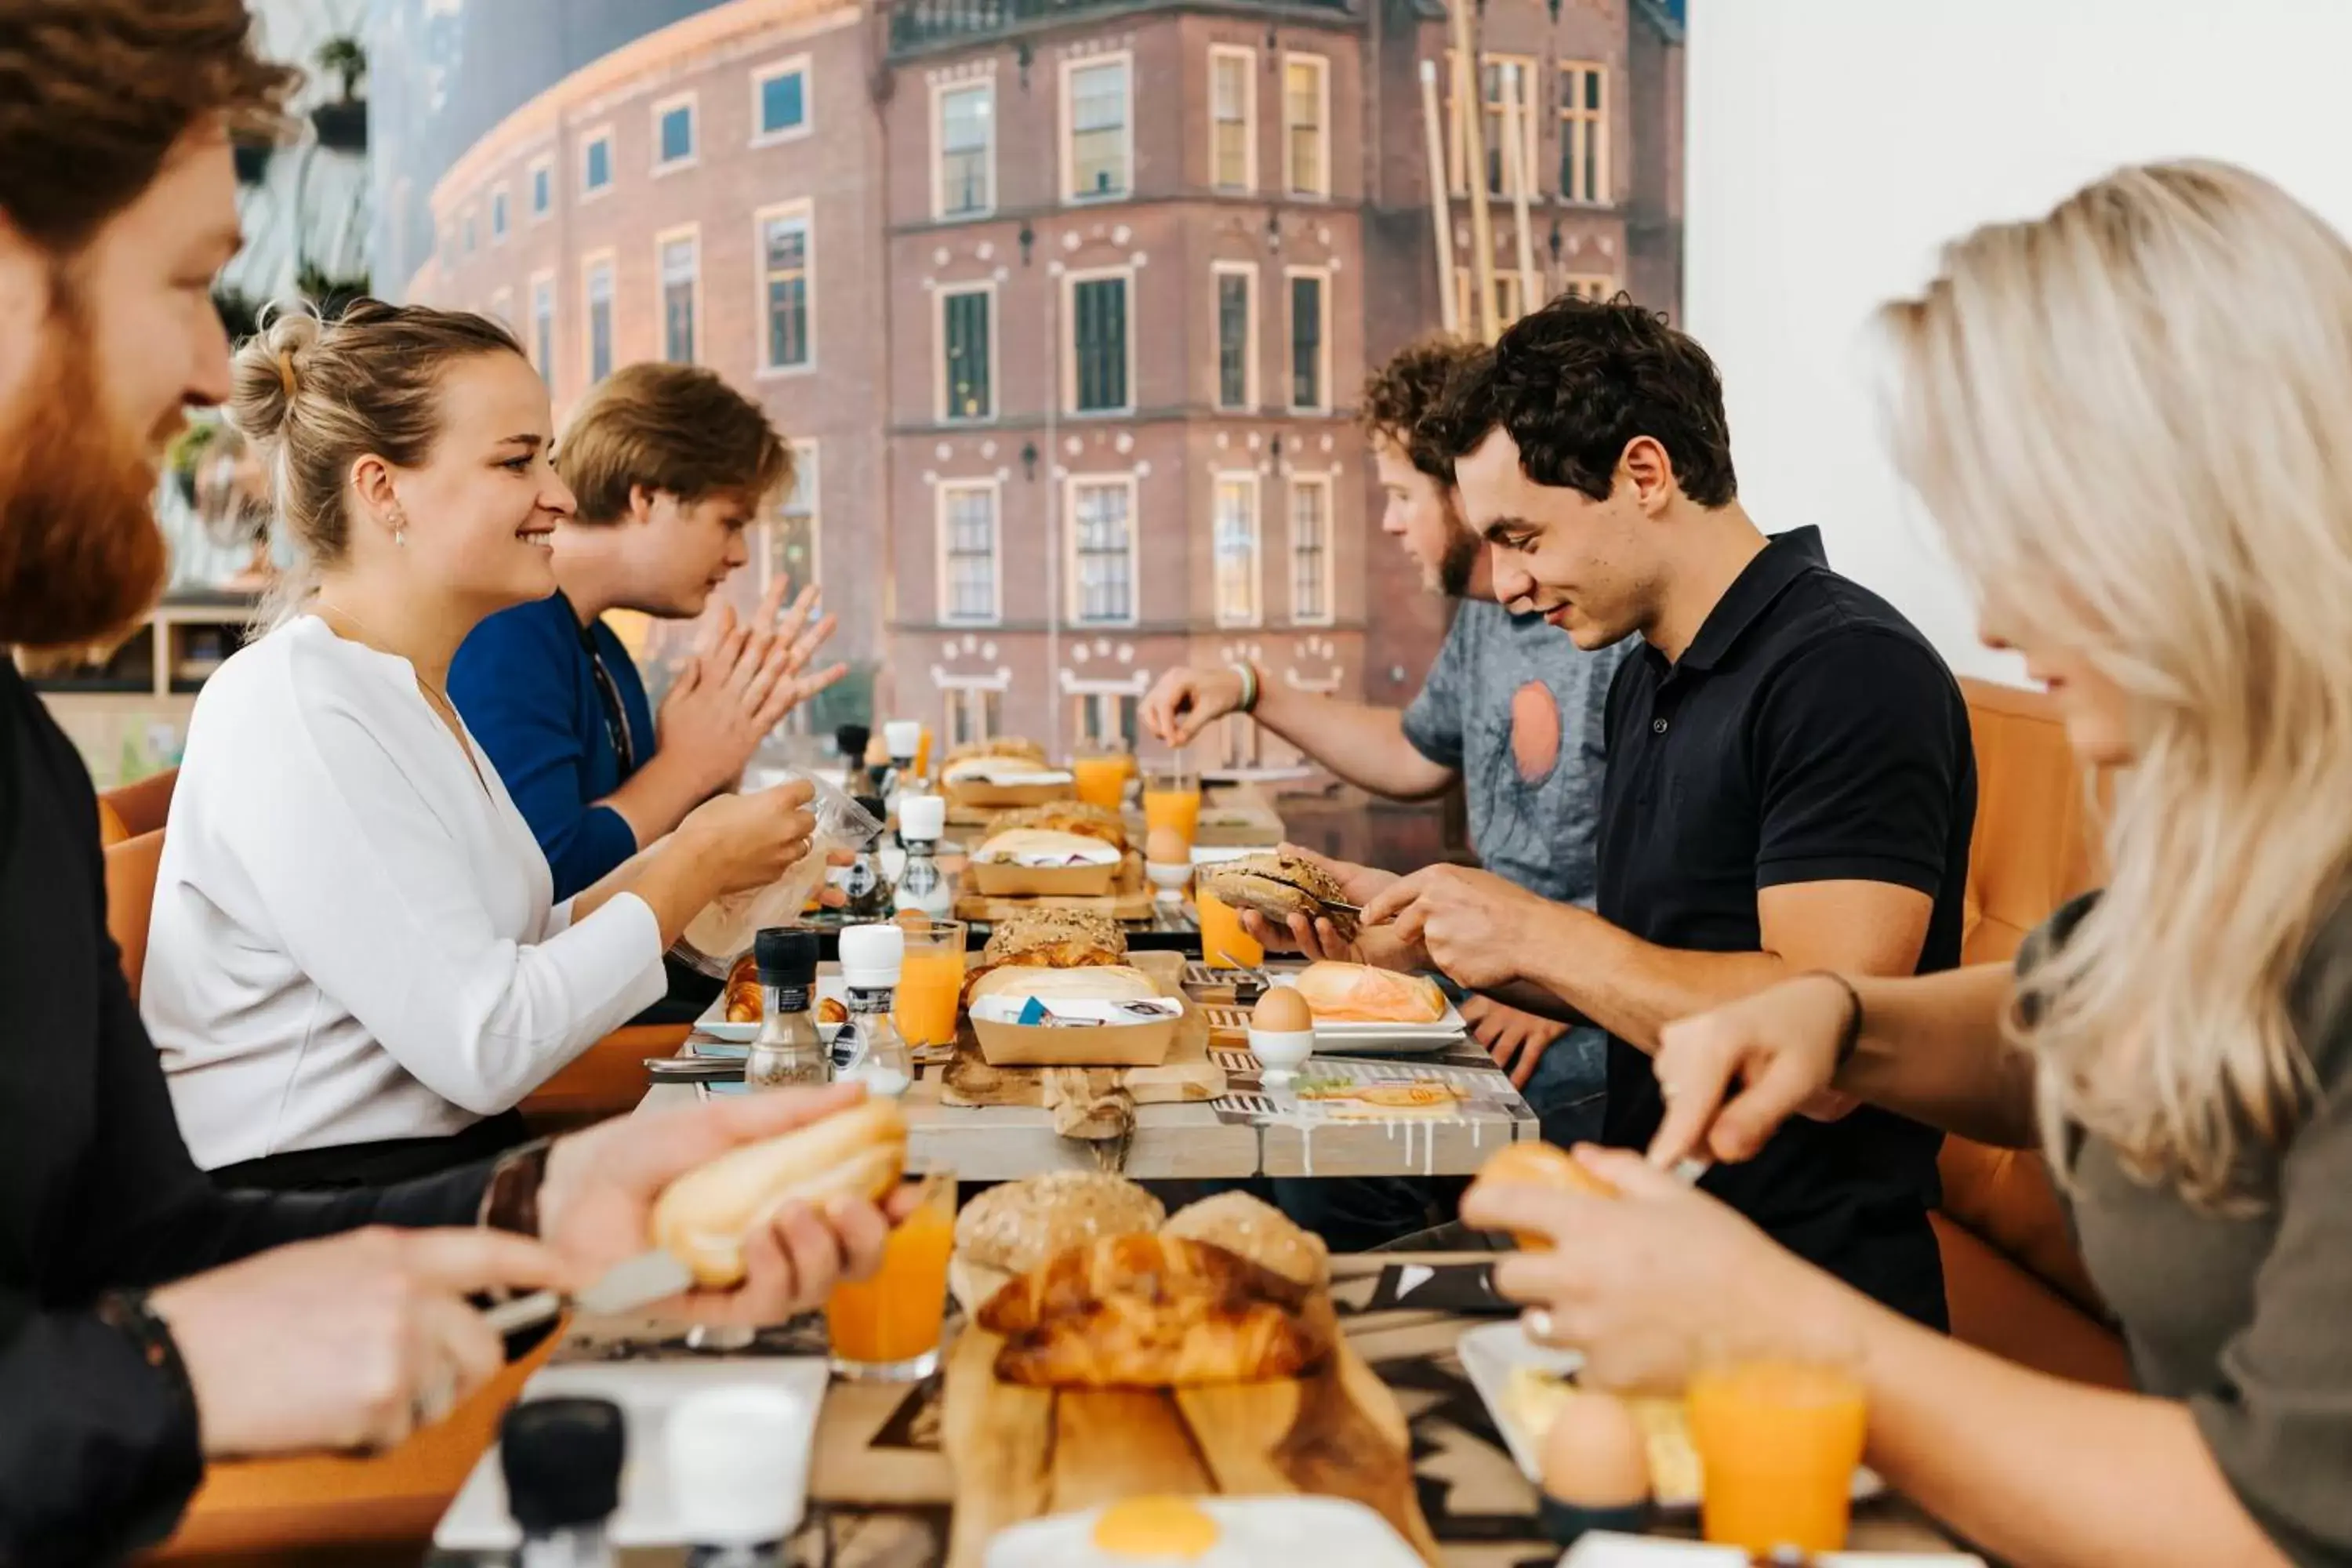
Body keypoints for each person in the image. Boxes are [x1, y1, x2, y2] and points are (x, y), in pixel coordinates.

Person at [0, 5, 900, 1559]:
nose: (218, 370)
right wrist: (175, 1371)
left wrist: (546, 1200)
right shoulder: (293, 710)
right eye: (177, 283)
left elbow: (149, 1243)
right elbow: (172, 1298)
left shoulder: (20, 752)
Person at [1467, 161, 2352, 1568]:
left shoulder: (1847, 669)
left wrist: (1776, 1327)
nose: (1995, 613)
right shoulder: (2256, 825)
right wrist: (1842, 1019)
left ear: (2211, 514)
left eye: (2037, 539)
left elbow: (2274, 1525)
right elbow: (2071, 1021)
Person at [1262, 298, 1976, 1327]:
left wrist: (1533, 930)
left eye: (1522, 537)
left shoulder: (1846, 672)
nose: (1507, 583)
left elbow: (1825, 1056)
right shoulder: (1651, 672)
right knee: (1294, 1298)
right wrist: (1441, 940)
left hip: (1801, 1304)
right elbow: (1651, 978)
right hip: (1657, 1243)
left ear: (1645, 474)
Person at [140, 301, 832, 1188]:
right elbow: (490, 1042)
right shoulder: (296, 707)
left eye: (546, 454)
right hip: (321, 1207)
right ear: (382, 488)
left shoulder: (410, 688)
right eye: (517, 460)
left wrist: (711, 855)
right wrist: (691, 858)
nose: (561, 493)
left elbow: (512, 946)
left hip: (433, 1167)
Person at [1142, 336, 1627, 1145]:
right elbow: (1412, 754)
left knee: (1322, 1160)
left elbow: (1677, 885)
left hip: (1573, 1016)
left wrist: (1551, 973)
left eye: (1402, 493)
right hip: (1499, 974)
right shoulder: (1488, 616)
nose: (1391, 520)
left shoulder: (1603, 619)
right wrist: (1251, 690)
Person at [451, 361, 842, 1023]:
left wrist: (717, 770)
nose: (741, 554)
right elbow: (556, 888)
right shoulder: (507, 635)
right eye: (730, 521)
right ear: (647, 498)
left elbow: (654, 850)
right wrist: (687, 767)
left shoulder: (600, 645)